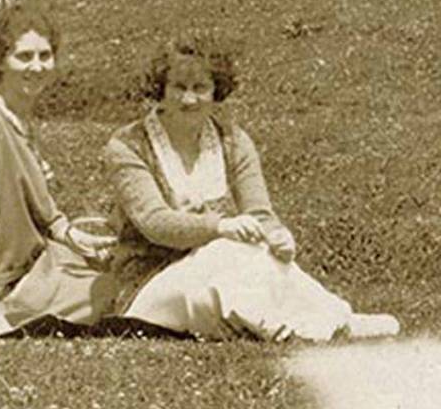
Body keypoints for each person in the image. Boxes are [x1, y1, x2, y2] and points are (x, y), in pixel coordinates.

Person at [102, 35, 400, 341]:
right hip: (150, 284)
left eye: (200, 88)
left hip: (219, 265)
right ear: (161, 89)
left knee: (255, 253)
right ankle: (294, 328)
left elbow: (260, 213)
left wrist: (279, 236)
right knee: (227, 256)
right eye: (179, 87)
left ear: (216, 91)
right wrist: (220, 226)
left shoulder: (233, 140)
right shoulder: (128, 145)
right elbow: (156, 223)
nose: (189, 99)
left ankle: (336, 318)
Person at [0, 4, 119, 336]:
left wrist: (77, 238)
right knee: (122, 293)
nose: (37, 67)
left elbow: (45, 212)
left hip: (42, 264)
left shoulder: (19, 121)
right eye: (24, 57)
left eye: (45, 56)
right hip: (9, 288)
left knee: (128, 266)